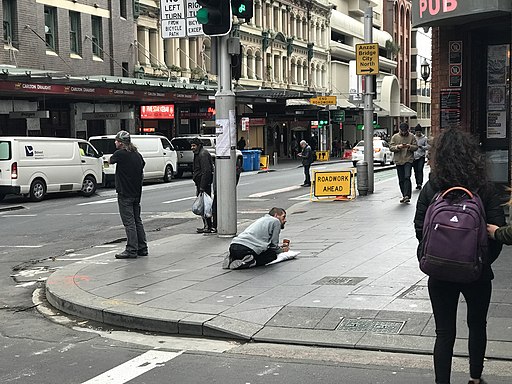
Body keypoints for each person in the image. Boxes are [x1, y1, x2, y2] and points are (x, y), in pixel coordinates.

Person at [414, 128, 505, 384]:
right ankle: (475, 378)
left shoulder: (433, 187)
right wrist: (482, 261)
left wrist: (432, 256)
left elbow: (420, 228)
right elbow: (495, 230)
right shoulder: (483, 188)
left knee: (444, 333)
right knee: (477, 325)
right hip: (476, 273)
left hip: (439, 272)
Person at [109, 130, 148, 259]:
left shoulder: (120, 154)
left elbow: (110, 161)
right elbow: (142, 165)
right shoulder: (137, 155)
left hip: (125, 192)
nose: (115, 142)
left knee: (129, 222)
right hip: (136, 192)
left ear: (121, 143)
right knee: (137, 220)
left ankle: (131, 249)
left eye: (116, 141)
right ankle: (142, 248)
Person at [222, 207, 288, 270]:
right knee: (271, 255)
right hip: (247, 249)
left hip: (234, 246)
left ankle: (232, 257)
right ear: (276, 215)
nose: (285, 220)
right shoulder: (276, 221)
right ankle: (250, 262)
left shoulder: (261, 219)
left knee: (259, 250)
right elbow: (273, 246)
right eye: (283, 217)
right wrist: (282, 250)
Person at [390, 122, 418, 203]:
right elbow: (391, 147)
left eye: (405, 131)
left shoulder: (412, 136)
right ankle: (404, 195)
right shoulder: (395, 137)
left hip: (408, 159)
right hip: (398, 160)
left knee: (407, 176)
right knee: (401, 179)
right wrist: (398, 147)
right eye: (402, 131)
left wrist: (409, 146)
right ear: (399, 130)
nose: (403, 132)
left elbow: (416, 147)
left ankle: (407, 195)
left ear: (407, 130)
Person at [191, 137, 214, 233]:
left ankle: (208, 226)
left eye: (194, 146)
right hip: (200, 183)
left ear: (199, 146)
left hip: (203, 184)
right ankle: (207, 225)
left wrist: (202, 187)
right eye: (191, 146)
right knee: (203, 205)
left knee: (205, 205)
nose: (192, 147)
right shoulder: (199, 154)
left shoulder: (202, 154)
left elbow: (206, 171)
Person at [412, 124, 428, 190]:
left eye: (419, 132)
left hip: (421, 156)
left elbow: (428, 146)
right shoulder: (413, 138)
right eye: (417, 132)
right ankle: (417, 182)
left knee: (420, 169)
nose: (418, 133)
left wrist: (422, 147)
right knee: (416, 170)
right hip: (414, 156)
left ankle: (420, 183)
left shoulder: (425, 138)